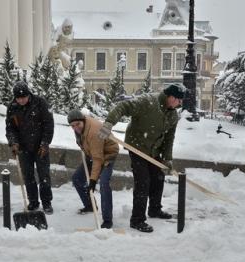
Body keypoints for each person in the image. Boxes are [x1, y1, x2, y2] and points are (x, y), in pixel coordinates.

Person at [98, 84, 186, 233]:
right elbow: (123, 106)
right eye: (179, 100)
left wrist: (167, 159)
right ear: (171, 97)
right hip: (137, 147)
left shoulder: (173, 115)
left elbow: (169, 139)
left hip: (154, 150)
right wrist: (109, 123)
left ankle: (154, 209)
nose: (180, 104)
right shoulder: (147, 102)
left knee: (158, 177)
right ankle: (137, 220)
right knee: (143, 182)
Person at [6, 81, 54, 214]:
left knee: (44, 175)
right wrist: (13, 142)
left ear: (28, 95)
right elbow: (10, 129)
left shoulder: (40, 103)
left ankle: (46, 202)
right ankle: (33, 201)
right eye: (18, 98)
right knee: (28, 175)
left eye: (23, 97)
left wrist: (45, 143)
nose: (21, 100)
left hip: (40, 146)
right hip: (23, 147)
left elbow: (48, 124)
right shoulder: (12, 107)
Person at [67, 110, 119, 229]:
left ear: (83, 121)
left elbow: (98, 159)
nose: (75, 128)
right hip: (93, 153)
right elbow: (92, 152)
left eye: (77, 124)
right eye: (72, 126)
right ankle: (90, 205)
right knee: (77, 178)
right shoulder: (81, 126)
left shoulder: (94, 132)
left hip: (108, 154)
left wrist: (93, 180)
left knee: (104, 183)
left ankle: (107, 220)